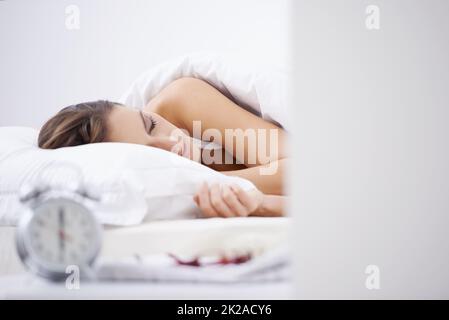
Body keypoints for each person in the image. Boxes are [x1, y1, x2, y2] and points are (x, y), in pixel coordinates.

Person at [38, 77, 287, 218]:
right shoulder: (150, 190)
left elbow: (310, 170)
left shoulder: (180, 101)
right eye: (150, 153)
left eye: (151, 125)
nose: (171, 144)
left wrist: (210, 183)